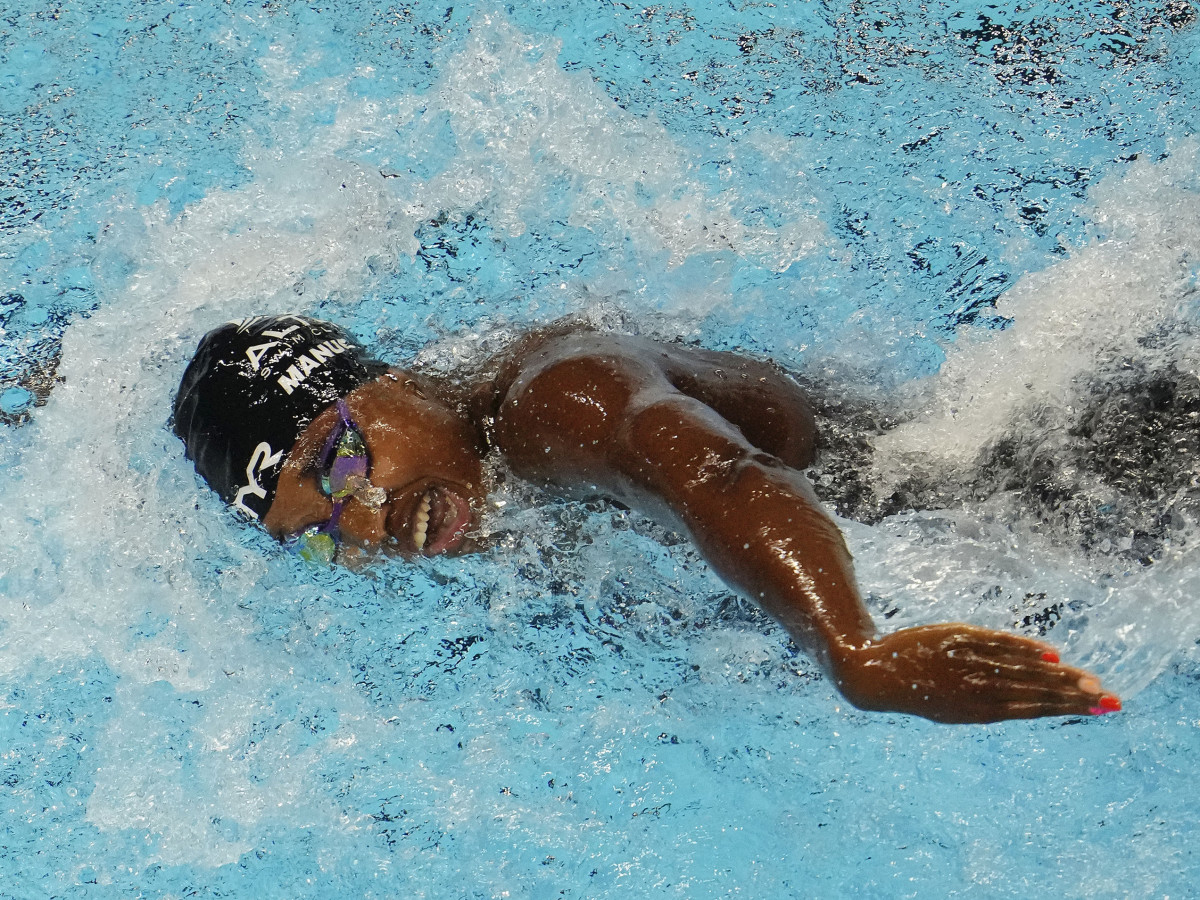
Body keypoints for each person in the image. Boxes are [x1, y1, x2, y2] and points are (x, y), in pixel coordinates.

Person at [173, 315, 1122, 724]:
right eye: (322, 533)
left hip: (1075, 486)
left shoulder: (555, 403)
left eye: (338, 461)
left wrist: (852, 651)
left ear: (387, 385)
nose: (370, 520)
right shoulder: (485, 487)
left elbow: (720, 477)